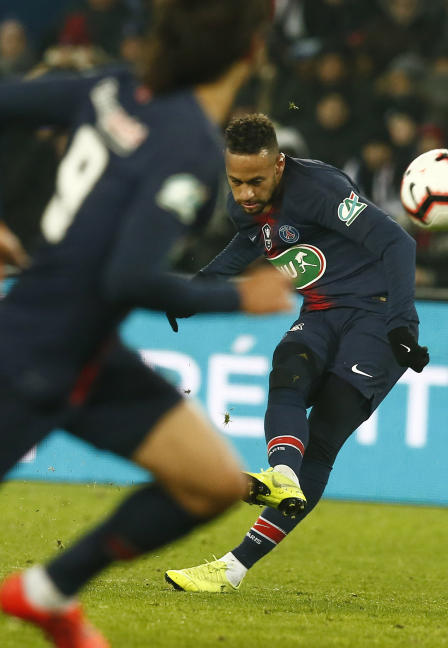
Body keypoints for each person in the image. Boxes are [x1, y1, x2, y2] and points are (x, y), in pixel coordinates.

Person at [0, 0, 291, 648]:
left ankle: (46, 591)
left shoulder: (116, 87)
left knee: (211, 481)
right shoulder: (187, 142)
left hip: (87, 353)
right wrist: (238, 296)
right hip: (21, 360)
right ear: (252, 53)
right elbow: (128, 277)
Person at [163, 113, 429, 593]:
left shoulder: (319, 190)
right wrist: (199, 288)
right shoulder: (242, 204)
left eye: (256, 181)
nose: (245, 193)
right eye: (236, 180)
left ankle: (234, 567)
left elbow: (398, 242)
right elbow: (250, 242)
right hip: (322, 310)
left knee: (324, 435)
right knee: (288, 369)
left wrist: (402, 325)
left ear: (280, 165)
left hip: (377, 317)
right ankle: (281, 472)